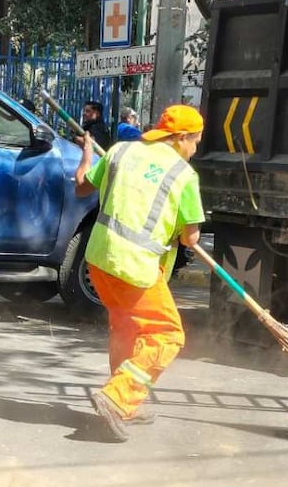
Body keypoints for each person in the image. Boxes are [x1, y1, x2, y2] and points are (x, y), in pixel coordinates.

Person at [73, 104, 205, 442]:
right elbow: (190, 239)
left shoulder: (120, 151)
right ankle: (117, 397)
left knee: (126, 329)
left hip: (99, 259)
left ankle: (126, 404)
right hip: (134, 266)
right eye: (195, 142)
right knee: (168, 335)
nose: (194, 150)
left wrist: (87, 155)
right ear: (181, 138)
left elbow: (82, 186)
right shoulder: (184, 175)